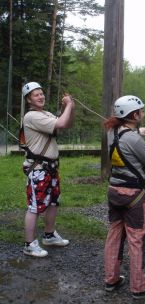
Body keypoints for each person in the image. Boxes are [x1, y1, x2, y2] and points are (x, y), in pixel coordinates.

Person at [103, 95, 145, 300]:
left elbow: (125, 139)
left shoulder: (112, 131)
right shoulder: (134, 139)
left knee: (114, 236)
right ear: (134, 115)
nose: (143, 114)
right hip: (134, 196)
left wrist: (138, 132)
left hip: (114, 191)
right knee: (136, 239)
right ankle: (139, 287)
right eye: (141, 111)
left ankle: (111, 279)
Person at [21, 81, 75, 258]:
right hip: (39, 169)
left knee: (52, 202)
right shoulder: (31, 116)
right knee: (35, 206)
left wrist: (69, 108)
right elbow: (59, 124)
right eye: (36, 94)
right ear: (29, 99)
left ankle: (49, 235)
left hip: (50, 168)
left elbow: (66, 124)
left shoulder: (45, 114)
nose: (41, 96)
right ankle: (29, 244)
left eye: (41, 93)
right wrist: (69, 104)